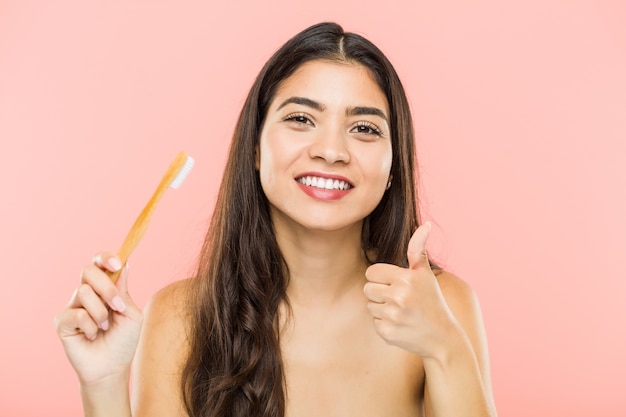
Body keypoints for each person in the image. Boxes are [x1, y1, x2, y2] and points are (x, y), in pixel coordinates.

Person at [54, 22, 497, 417]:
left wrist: (444, 348)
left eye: (364, 128)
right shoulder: (180, 318)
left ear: (393, 169)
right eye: (301, 118)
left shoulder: (443, 307)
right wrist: (104, 385)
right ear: (254, 147)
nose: (331, 151)